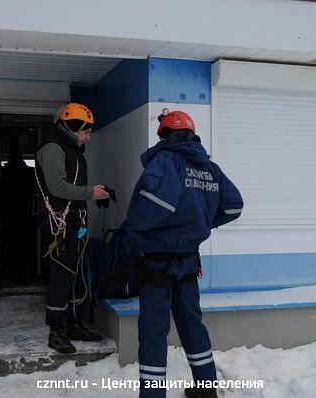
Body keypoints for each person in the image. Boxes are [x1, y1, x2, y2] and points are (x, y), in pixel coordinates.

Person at [125, 110, 243, 398]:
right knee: (192, 327)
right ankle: (206, 390)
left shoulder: (166, 160)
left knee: (154, 333)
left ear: (164, 134)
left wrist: (135, 231)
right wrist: (200, 222)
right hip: (189, 263)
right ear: (192, 134)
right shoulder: (208, 167)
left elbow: (155, 203)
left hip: (158, 263)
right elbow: (233, 207)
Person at [35, 102, 110, 354]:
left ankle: (72, 322)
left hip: (75, 220)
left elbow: (73, 184)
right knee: (63, 273)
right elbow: (56, 187)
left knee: (76, 273)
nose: (88, 136)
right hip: (60, 223)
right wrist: (91, 193)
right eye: (85, 131)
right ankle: (56, 330)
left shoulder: (72, 148)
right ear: (72, 126)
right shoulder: (53, 148)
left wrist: (100, 194)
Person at [0, 140, 37, 277]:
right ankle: (24, 266)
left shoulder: (1, 173)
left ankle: (9, 268)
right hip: (25, 213)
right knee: (24, 241)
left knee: (9, 242)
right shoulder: (29, 172)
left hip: (9, 214)